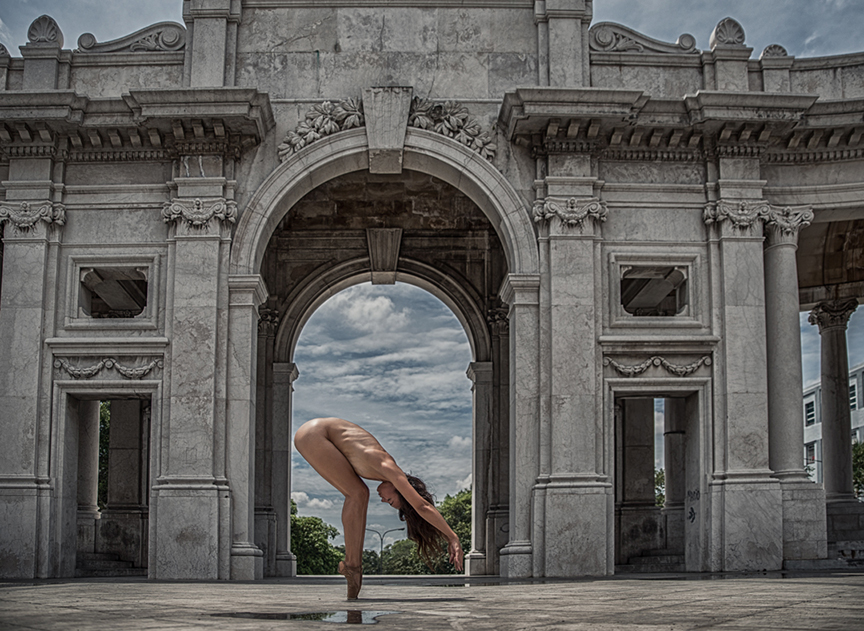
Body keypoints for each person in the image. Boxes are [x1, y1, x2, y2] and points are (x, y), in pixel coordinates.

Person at [294, 417, 464, 599]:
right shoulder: (389, 468)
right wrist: (452, 537)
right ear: (399, 490)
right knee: (358, 494)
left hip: (317, 433)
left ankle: (354, 571)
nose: (383, 500)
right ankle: (353, 568)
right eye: (391, 501)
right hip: (315, 433)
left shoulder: (382, 468)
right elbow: (421, 506)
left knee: (359, 492)